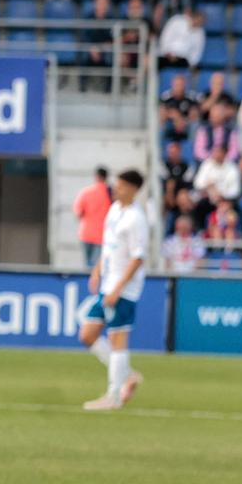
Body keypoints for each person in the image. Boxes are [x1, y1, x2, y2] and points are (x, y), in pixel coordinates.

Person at [80, 169, 148, 412]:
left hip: (124, 289)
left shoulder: (137, 219)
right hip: (108, 283)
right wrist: (97, 269)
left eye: (120, 186)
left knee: (117, 338)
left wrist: (119, 288)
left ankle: (114, 396)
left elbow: (138, 258)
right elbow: (109, 246)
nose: (115, 189)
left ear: (133, 188)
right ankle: (128, 376)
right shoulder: (114, 210)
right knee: (87, 334)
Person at [74, 167, 112, 274]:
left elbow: (78, 212)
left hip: (86, 233)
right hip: (102, 235)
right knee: (97, 266)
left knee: (87, 265)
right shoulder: (110, 193)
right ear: (106, 177)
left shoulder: (86, 192)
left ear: (96, 177)